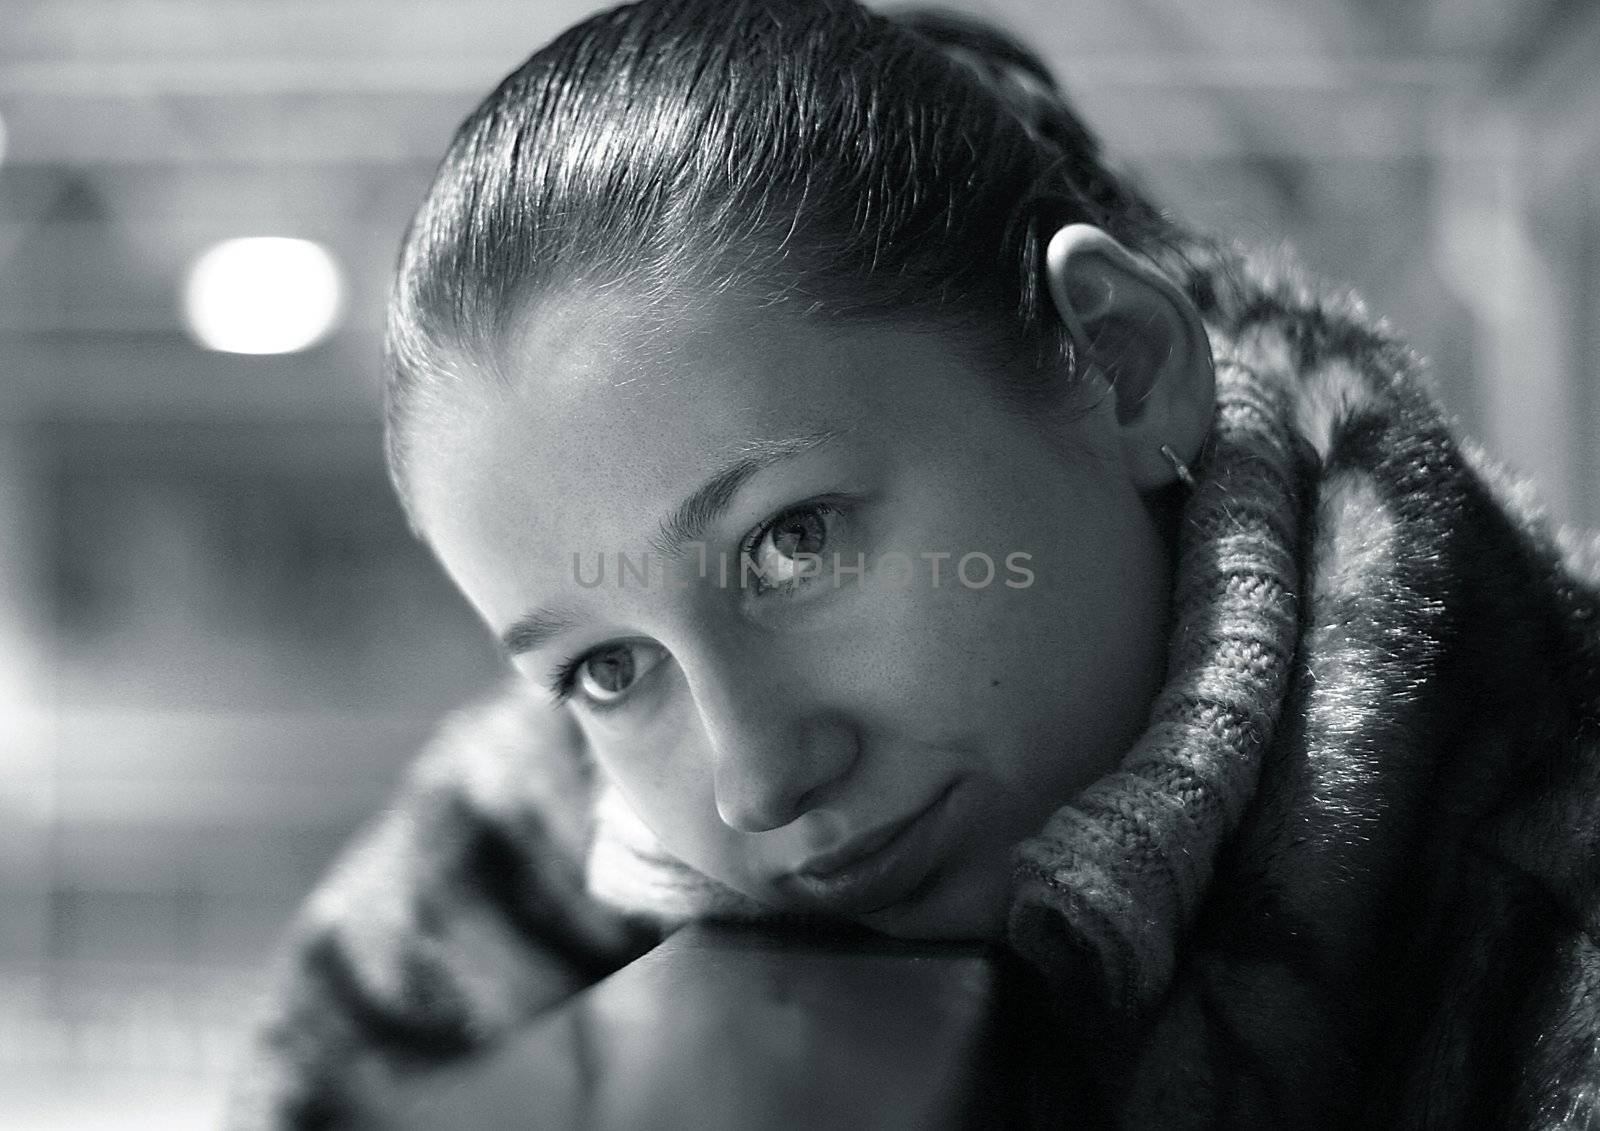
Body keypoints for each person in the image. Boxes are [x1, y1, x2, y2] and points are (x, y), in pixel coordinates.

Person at [227, 0, 1600, 1126]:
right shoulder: (495, 909)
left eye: (790, 541)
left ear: (1124, 367)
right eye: (605, 668)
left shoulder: (1550, 918)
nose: (759, 780)